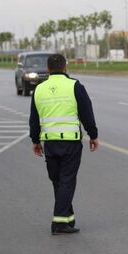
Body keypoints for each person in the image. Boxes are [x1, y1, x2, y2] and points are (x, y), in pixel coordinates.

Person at [29, 54, 98, 235]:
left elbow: (34, 120)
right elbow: (86, 113)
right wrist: (93, 135)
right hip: (70, 142)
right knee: (66, 181)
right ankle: (59, 222)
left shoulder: (39, 89)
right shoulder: (75, 86)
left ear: (48, 68)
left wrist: (35, 141)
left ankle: (68, 219)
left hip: (50, 143)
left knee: (58, 182)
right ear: (65, 67)